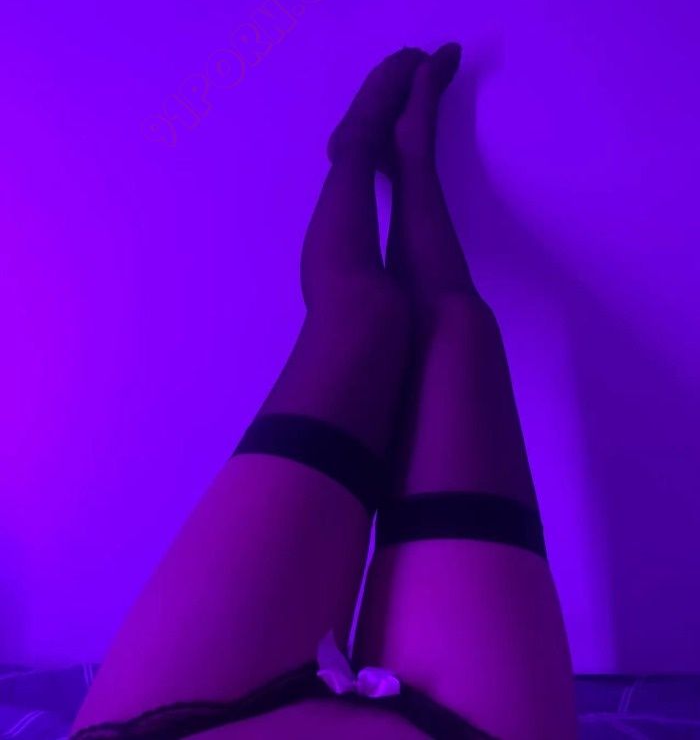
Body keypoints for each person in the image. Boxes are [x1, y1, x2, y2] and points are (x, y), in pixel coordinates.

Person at [70, 44, 577, 739]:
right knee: (460, 328)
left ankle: (359, 153)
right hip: (461, 733)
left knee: (363, 312)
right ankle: (414, 165)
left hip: (171, 727)